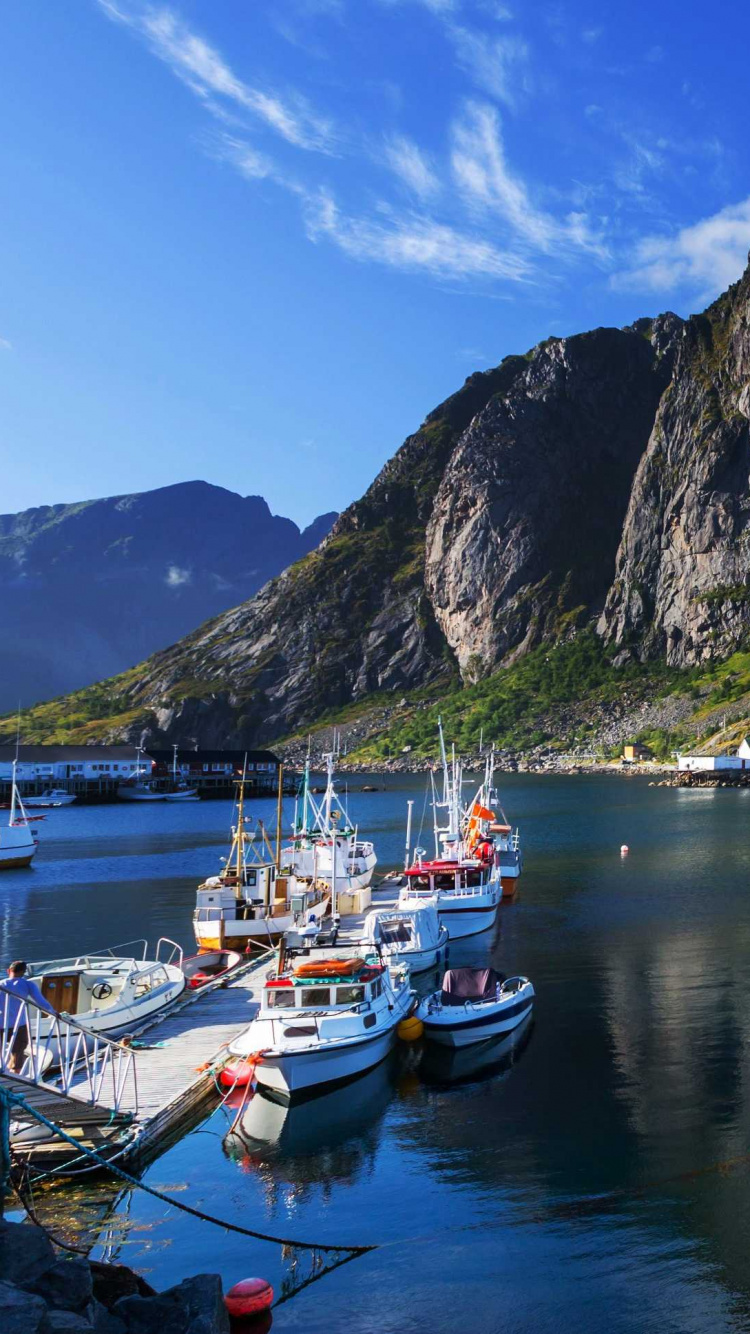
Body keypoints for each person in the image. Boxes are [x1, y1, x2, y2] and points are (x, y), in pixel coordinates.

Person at [0, 960, 57, 1074]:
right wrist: (54, 1013)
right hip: (18, 1025)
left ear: (8, 971)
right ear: (23, 972)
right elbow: (41, 1002)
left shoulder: (1, 984)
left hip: (1, 1023)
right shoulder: (28, 984)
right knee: (18, 1053)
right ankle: (14, 1077)